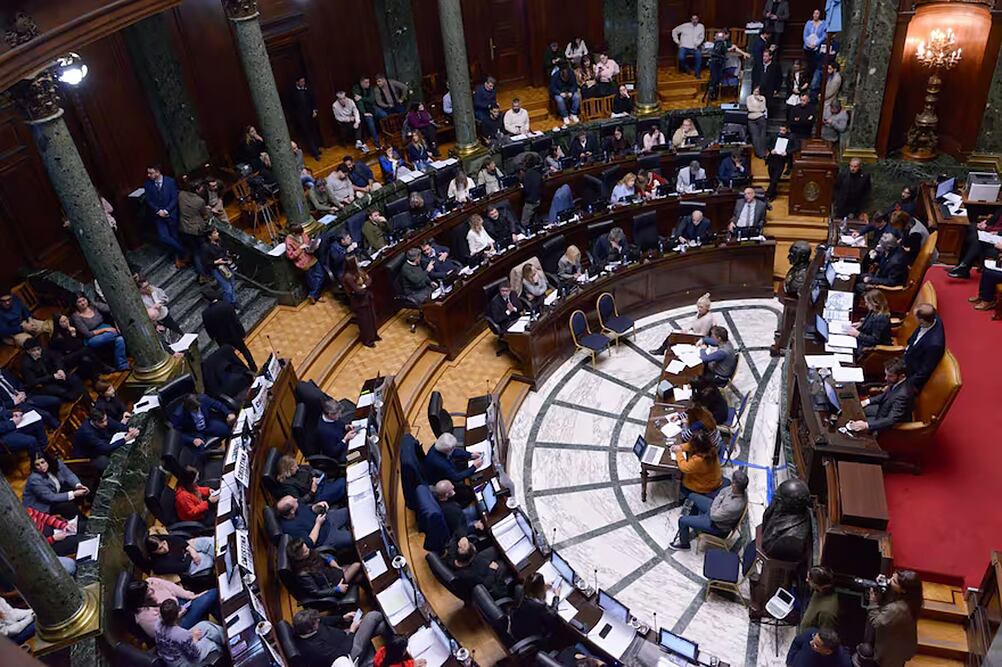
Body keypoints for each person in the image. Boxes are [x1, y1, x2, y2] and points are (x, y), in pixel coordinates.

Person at [670, 467, 747, 550]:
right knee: (691, 496)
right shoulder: (738, 490)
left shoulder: (734, 506)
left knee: (682, 520)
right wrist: (718, 501)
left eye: (733, 483)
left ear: (735, 486)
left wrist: (717, 501)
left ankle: (684, 544)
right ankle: (695, 521)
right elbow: (723, 492)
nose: (731, 484)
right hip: (716, 509)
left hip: (716, 525)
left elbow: (714, 516)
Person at [293, 608, 389, 667]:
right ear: (309, 630)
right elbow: (342, 652)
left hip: (344, 638)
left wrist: (343, 617)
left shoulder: (306, 626)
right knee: (373, 616)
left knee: (382, 627)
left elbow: (324, 621)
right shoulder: (315, 649)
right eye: (316, 622)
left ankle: (396, 638)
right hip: (348, 653)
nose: (318, 620)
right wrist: (352, 631)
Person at [126, 579, 219, 639]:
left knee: (211, 603)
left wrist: (191, 596)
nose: (152, 588)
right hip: (177, 623)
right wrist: (177, 615)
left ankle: (225, 621)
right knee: (212, 594)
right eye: (148, 591)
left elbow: (171, 586)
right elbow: (162, 634)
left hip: (179, 605)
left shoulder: (150, 582)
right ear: (141, 599)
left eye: (149, 586)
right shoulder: (144, 617)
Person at [866, 570, 922, 667]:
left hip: (892, 652)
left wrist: (873, 602)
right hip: (902, 643)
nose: (890, 581)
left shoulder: (897, 610)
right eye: (892, 577)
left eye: (894, 581)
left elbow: (876, 622)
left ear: (903, 590)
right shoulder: (912, 598)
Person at [846, 358, 915, 435]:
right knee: (856, 410)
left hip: (889, 424)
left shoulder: (903, 395)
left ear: (901, 376)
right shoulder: (897, 382)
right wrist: (867, 401)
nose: (886, 378)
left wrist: (866, 425)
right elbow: (885, 395)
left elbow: (891, 419)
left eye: (890, 376)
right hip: (884, 407)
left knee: (857, 427)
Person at [154, 598, 225, 667]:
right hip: (184, 662)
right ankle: (228, 645)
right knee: (211, 643)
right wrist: (195, 638)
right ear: (177, 614)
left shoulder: (157, 624)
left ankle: (226, 638)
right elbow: (195, 654)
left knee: (205, 625)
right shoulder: (180, 633)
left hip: (170, 654)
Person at [286, 538, 361, 601]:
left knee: (359, 575)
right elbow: (316, 592)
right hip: (333, 585)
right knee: (357, 565)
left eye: (307, 548)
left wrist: (330, 560)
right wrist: (337, 589)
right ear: (298, 557)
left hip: (333, 573)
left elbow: (321, 556)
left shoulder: (309, 554)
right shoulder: (302, 574)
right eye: (305, 551)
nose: (308, 550)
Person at [201, 286, 255, 371]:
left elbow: (209, 329)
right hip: (234, 334)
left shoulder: (205, 314)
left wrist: (213, 337)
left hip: (221, 339)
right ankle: (253, 367)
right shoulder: (226, 305)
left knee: (230, 356)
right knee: (244, 350)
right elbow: (236, 321)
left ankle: (241, 370)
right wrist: (242, 333)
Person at [71, 293, 129, 371]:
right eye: (79, 302)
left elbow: (109, 308)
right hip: (93, 337)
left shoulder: (93, 307)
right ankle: (123, 332)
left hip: (108, 331)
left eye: (83, 300)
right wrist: (104, 330)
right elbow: (88, 334)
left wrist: (95, 303)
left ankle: (122, 365)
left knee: (120, 340)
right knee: (117, 334)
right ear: (76, 304)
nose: (82, 303)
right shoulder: (76, 316)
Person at [22, 450, 88, 519]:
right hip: (43, 505)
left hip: (55, 490)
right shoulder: (34, 479)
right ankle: (82, 522)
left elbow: (68, 475)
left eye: (42, 462)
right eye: (37, 465)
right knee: (67, 506)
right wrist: (74, 494)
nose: (41, 466)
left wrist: (78, 485)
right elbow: (51, 497)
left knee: (82, 484)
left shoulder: (56, 463)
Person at [144, 165, 186, 268]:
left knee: (175, 236)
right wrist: (158, 210)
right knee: (164, 237)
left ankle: (178, 259)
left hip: (171, 213)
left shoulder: (170, 181)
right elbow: (149, 200)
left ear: (157, 172)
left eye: (151, 173)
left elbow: (174, 198)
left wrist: (167, 210)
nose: (148, 175)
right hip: (158, 215)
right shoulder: (148, 184)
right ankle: (183, 250)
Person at [276, 495, 352, 550]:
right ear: (292, 511)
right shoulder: (290, 528)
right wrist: (318, 524)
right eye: (294, 501)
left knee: (352, 511)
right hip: (326, 537)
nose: (296, 499)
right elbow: (310, 543)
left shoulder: (296, 506)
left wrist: (316, 506)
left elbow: (308, 509)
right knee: (353, 537)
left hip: (328, 518)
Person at [20, 337, 83, 403]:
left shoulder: (44, 351)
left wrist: (60, 369)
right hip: (44, 384)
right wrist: (52, 377)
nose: (37, 352)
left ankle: (88, 404)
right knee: (63, 391)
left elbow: (56, 359)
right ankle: (76, 403)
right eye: (33, 350)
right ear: (28, 351)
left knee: (75, 379)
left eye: (38, 349)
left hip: (55, 375)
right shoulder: (26, 364)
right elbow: (33, 382)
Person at [72, 407, 136, 471]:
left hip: (102, 443)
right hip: (90, 457)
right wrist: (125, 439)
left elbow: (113, 423)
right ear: (95, 421)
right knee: (110, 463)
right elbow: (106, 449)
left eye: (105, 420)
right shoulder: (87, 433)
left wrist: (127, 429)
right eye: (102, 422)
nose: (105, 423)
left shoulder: (102, 418)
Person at [449, 536, 513, 599]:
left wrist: (463, 537)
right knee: (503, 564)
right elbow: (486, 584)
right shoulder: (470, 575)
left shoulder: (452, 552)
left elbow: (456, 535)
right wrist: (492, 570)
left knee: (494, 549)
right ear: (471, 559)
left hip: (479, 562)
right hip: (486, 574)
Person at [169, 392, 236, 452]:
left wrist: (228, 413)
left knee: (228, 431)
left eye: (198, 408)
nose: (197, 412)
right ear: (188, 408)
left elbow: (218, 405)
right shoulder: (178, 415)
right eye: (194, 410)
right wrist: (192, 440)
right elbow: (177, 434)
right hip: (194, 432)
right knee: (199, 449)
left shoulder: (203, 398)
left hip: (207, 424)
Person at [900, 304, 945, 390]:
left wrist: (904, 385)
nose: (914, 318)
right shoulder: (931, 319)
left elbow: (924, 372)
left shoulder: (934, 345)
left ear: (922, 320)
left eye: (915, 317)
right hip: (907, 358)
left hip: (911, 376)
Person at [510, 571, 561, 642]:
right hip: (526, 634)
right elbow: (553, 614)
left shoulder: (519, 589)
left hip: (514, 625)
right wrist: (556, 597)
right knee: (557, 627)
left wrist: (542, 588)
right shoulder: (539, 606)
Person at [275, 455, 346, 505]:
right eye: (294, 466)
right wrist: (312, 491)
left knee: (343, 480)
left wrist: (314, 477)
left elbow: (309, 468)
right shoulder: (288, 487)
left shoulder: (297, 470)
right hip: (316, 496)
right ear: (289, 470)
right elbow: (300, 502)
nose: (297, 467)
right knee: (343, 483)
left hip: (320, 484)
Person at [672, 430, 723, 499]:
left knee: (680, 482)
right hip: (714, 479)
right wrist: (681, 447)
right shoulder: (710, 448)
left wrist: (678, 452)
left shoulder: (700, 460)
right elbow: (691, 445)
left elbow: (684, 468)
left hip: (706, 485)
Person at [342, 256, 378, 348]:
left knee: (372, 318)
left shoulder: (359, 270)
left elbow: (369, 279)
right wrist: (364, 287)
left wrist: (364, 285)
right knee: (365, 322)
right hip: (360, 303)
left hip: (367, 298)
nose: (358, 262)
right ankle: (367, 340)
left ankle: (374, 336)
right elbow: (358, 291)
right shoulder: (348, 277)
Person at [285, 223, 325, 305]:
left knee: (321, 274)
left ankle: (313, 294)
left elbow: (308, 242)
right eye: (299, 233)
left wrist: (313, 245)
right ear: (293, 233)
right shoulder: (289, 241)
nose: (301, 234)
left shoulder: (303, 234)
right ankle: (315, 296)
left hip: (311, 257)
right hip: (302, 262)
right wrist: (300, 248)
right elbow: (291, 256)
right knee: (312, 280)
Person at [146, 534, 215, 577]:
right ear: (154, 552)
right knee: (208, 558)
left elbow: (177, 539)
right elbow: (183, 566)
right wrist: (190, 554)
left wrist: (189, 549)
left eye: (164, 543)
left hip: (186, 549)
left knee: (207, 542)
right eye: (160, 548)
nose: (165, 548)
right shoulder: (160, 565)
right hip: (188, 563)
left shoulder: (160, 539)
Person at [201, 228, 237, 305]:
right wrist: (216, 262)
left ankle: (233, 302)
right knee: (227, 288)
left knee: (233, 284)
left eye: (216, 232)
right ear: (209, 236)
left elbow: (225, 250)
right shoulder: (206, 247)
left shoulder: (220, 241)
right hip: (217, 269)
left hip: (227, 265)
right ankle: (227, 305)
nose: (217, 234)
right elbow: (205, 262)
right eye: (214, 233)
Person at [786, 627, 852, 667]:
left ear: (827, 651)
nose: (810, 642)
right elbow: (797, 642)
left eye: (816, 645)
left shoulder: (843, 663)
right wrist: (790, 661)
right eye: (814, 637)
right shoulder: (810, 633)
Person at [290, 76, 321, 160]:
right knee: (308, 135)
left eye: (304, 81)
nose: (303, 83)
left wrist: (314, 110)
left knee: (314, 132)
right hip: (301, 117)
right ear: (297, 82)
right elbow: (291, 105)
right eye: (301, 82)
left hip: (310, 115)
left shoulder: (308, 89)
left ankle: (317, 149)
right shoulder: (293, 92)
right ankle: (315, 153)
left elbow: (313, 100)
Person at [765, 125, 800, 200]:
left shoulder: (792, 137)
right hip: (772, 158)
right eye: (780, 130)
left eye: (783, 130)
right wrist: (771, 150)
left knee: (775, 179)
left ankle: (769, 195)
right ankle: (773, 193)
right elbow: (768, 144)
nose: (781, 132)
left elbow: (797, 147)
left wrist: (787, 152)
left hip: (781, 160)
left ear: (787, 130)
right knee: (772, 177)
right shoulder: (775, 135)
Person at [800, 566, 839, 632]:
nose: (806, 580)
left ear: (817, 584)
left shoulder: (827, 613)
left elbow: (824, 636)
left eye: (809, 579)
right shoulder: (818, 590)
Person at [351, 76, 381, 146]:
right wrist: (364, 112)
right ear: (361, 83)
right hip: (364, 111)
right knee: (370, 121)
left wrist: (362, 98)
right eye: (366, 82)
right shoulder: (356, 88)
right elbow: (359, 103)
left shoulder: (370, 88)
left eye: (368, 82)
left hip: (372, 107)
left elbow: (372, 99)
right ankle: (377, 142)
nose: (368, 84)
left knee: (384, 114)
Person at [803, 9, 828, 75]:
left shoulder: (823, 23)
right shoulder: (808, 23)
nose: (815, 15)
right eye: (814, 13)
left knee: (815, 64)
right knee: (808, 64)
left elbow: (824, 35)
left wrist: (816, 44)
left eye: (817, 13)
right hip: (807, 47)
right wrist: (808, 44)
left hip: (817, 48)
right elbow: (805, 34)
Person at [746, 85, 769, 158]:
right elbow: (750, 108)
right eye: (755, 91)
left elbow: (763, 109)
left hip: (761, 118)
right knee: (755, 137)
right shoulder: (749, 98)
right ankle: (760, 154)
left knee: (762, 136)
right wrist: (758, 110)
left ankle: (763, 153)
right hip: (751, 119)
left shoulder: (762, 98)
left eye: (758, 91)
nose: (756, 93)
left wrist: (759, 101)